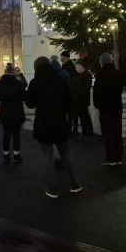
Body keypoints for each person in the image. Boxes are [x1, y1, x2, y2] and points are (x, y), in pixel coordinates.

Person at [26, 56, 81, 198]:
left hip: (43, 122)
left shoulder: (35, 82)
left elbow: (30, 103)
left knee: (47, 157)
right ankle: (74, 184)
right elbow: (69, 100)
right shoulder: (60, 80)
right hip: (60, 121)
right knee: (66, 153)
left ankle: (52, 188)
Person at [92, 53, 124, 166]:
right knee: (117, 133)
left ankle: (111, 159)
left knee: (108, 134)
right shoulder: (117, 73)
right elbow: (120, 89)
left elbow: (96, 93)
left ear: (102, 62)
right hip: (117, 107)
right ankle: (119, 158)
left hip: (105, 109)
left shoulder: (100, 75)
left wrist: (97, 105)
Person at [0, 64, 26, 164]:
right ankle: (16, 155)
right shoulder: (18, 83)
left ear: (5, 71)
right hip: (17, 112)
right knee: (16, 134)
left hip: (5, 112)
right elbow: (23, 96)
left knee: (6, 134)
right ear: (13, 72)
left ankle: (6, 155)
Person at [70, 59, 94, 141]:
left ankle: (89, 134)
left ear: (81, 66)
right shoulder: (80, 75)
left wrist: (77, 93)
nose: (75, 69)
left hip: (82, 101)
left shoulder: (87, 75)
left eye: (76, 67)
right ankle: (85, 133)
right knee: (83, 117)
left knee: (85, 117)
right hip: (78, 101)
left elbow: (86, 88)